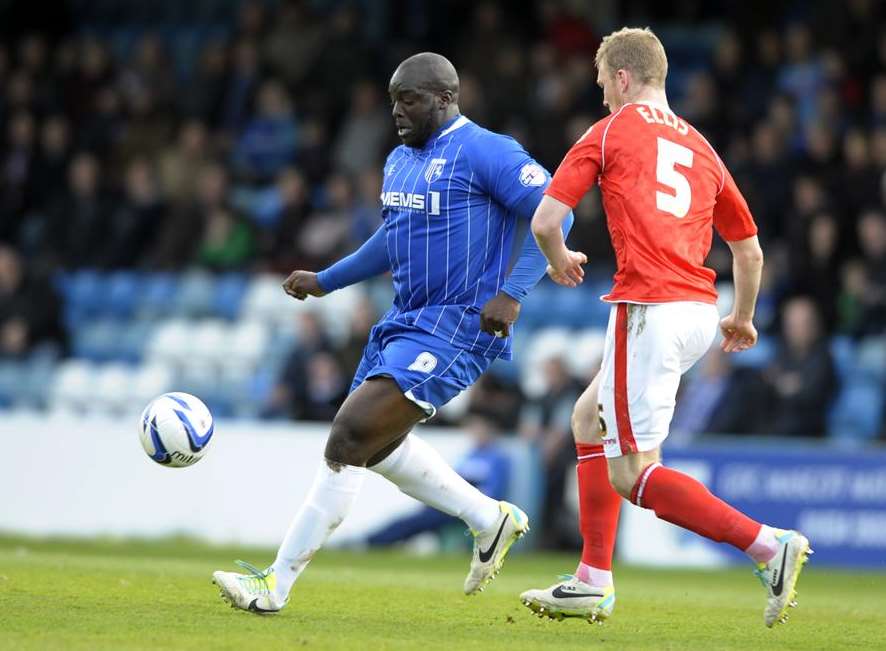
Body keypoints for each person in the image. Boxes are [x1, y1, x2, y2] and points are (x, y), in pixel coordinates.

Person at [212, 52, 573, 613]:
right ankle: (488, 518)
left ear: (446, 98)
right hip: (404, 319)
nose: (397, 112)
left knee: (349, 435)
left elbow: (557, 213)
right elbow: (393, 236)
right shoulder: (400, 159)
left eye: (409, 99)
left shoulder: (487, 150)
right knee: (374, 448)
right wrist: (328, 280)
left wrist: (514, 292)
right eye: (392, 101)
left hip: (460, 323)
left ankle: (274, 586)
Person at [521, 28, 811, 629]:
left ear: (623, 78)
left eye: (603, 82)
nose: (601, 95)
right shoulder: (703, 147)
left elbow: (547, 221)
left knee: (633, 474)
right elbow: (749, 251)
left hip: (649, 308)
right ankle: (593, 578)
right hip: (699, 313)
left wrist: (559, 260)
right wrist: (742, 318)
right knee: (586, 417)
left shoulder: (608, 132)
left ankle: (766, 545)